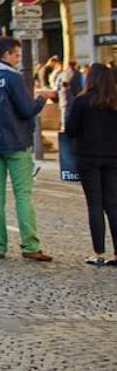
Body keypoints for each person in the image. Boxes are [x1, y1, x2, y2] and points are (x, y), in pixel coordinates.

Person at [0, 36, 52, 262]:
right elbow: (26, 110)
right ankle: (30, 245)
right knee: (23, 195)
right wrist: (41, 99)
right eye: (16, 54)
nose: (17, 58)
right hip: (15, 142)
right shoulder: (13, 78)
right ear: (6, 54)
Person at [63, 62, 117, 266]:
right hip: (114, 157)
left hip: (88, 157)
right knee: (113, 205)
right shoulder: (115, 101)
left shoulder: (82, 101)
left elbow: (71, 130)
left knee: (94, 204)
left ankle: (99, 252)